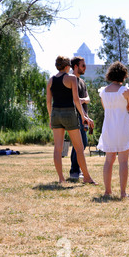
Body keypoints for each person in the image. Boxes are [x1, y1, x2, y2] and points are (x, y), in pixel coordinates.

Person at [46, 56, 97, 184]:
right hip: (69, 113)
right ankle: (86, 177)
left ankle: (61, 179)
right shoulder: (72, 78)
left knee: (58, 148)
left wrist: (50, 117)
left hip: (56, 113)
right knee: (79, 148)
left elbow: (48, 102)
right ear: (68, 66)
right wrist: (84, 116)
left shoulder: (51, 80)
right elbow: (76, 100)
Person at [97, 62, 129, 199]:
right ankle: (123, 192)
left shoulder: (103, 91)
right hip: (123, 127)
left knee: (109, 160)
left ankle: (107, 191)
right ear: (123, 76)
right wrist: (123, 108)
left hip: (108, 127)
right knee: (123, 161)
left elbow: (105, 108)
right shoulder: (125, 91)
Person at [69, 56, 90, 179]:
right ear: (75, 66)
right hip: (75, 116)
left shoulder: (82, 82)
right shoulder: (71, 80)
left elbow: (88, 98)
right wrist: (80, 101)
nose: (85, 67)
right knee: (80, 144)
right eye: (83, 65)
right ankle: (75, 171)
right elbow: (72, 100)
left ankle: (76, 170)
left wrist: (81, 100)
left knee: (82, 143)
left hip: (84, 117)